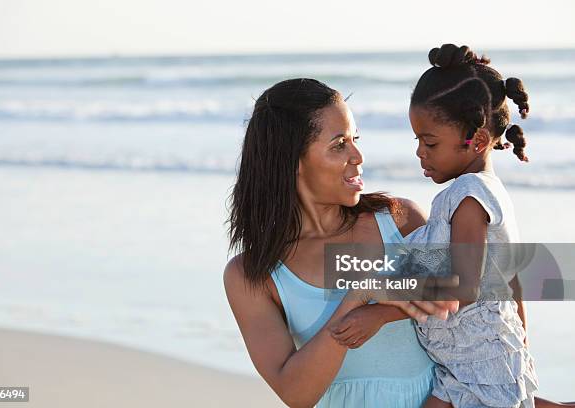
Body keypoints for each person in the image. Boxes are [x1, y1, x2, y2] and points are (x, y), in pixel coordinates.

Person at [330, 44, 575, 408]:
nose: (419, 152)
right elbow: (510, 275)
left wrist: (382, 313)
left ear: (475, 141)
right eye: (418, 140)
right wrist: (519, 338)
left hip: (478, 362)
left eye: (430, 142)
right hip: (462, 362)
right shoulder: (478, 192)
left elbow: (463, 288)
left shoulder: (470, 197)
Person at [224, 78, 457, 407]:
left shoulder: (400, 221)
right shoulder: (252, 274)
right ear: (292, 161)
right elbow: (296, 393)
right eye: (339, 145)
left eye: (355, 139)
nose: (358, 156)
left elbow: (480, 295)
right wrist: (358, 297)